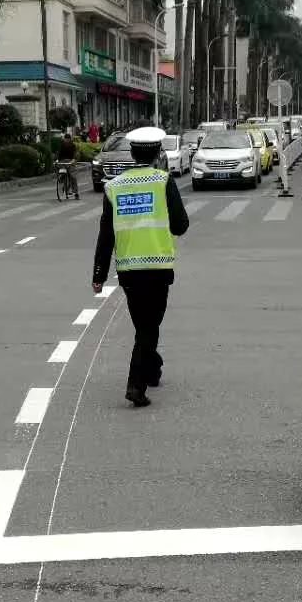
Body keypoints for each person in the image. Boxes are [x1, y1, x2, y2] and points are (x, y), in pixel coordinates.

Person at [92, 127, 190, 408]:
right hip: (158, 267)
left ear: (132, 153)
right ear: (159, 153)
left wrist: (99, 275)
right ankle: (136, 384)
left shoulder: (113, 187)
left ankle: (153, 368)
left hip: (128, 271)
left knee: (144, 326)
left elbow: (106, 235)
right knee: (150, 327)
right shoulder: (163, 182)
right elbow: (180, 226)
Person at [57, 132, 79, 198]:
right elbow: (59, 154)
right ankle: (62, 180)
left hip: (70, 161)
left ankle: (75, 192)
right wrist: (57, 160)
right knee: (61, 172)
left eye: (68, 139)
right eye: (65, 139)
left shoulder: (73, 146)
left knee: (72, 176)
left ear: (70, 139)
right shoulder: (61, 145)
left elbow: (75, 154)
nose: (66, 140)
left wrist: (74, 160)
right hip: (63, 162)